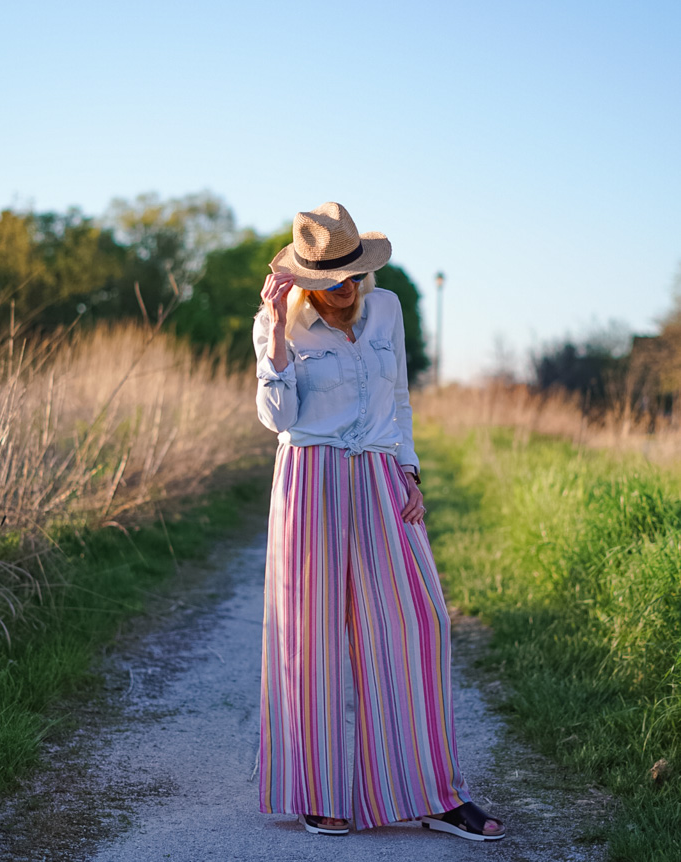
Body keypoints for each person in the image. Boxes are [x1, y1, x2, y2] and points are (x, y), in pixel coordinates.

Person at [252, 202, 505, 841]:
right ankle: (315, 789)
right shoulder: (278, 320)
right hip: (311, 478)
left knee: (419, 624)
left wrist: (409, 471)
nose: (343, 292)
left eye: (351, 278)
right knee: (308, 640)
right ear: (304, 281)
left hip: (380, 475)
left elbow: (399, 400)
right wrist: (278, 334)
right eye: (327, 282)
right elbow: (277, 418)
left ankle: (430, 792)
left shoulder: (386, 308)